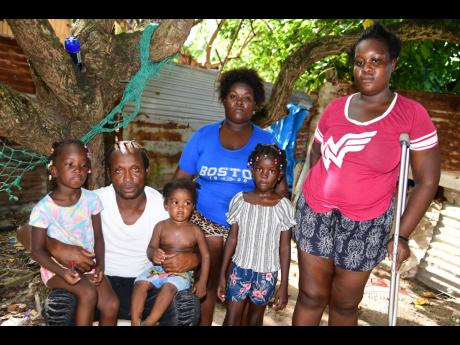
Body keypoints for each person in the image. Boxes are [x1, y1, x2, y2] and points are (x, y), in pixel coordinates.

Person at [292, 22, 440, 326]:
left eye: (376, 61)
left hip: (366, 223)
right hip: (316, 213)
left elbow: (427, 181)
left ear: (393, 64)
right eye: (360, 62)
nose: (367, 69)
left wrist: (401, 234)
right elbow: (317, 152)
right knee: (310, 296)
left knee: (345, 305)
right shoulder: (335, 109)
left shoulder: (411, 115)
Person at [18, 140, 201, 325]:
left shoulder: (164, 207)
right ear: (109, 173)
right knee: (60, 306)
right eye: (119, 170)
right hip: (99, 284)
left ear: (147, 170)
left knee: (185, 307)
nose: (128, 178)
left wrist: (194, 259)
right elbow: (24, 232)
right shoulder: (92, 200)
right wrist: (57, 247)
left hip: (145, 286)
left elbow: (195, 242)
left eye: (135, 169)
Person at [174, 68, 289, 325]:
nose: (239, 102)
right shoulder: (203, 136)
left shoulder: (266, 140)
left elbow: (281, 192)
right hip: (206, 220)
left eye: (247, 98)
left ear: (255, 103)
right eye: (233, 96)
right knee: (212, 252)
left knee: (246, 282)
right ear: (224, 99)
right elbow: (180, 181)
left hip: (250, 227)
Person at [29, 139, 119, 326]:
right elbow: (37, 250)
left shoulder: (91, 200)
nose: (78, 169)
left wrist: (100, 265)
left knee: (111, 304)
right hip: (55, 270)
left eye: (83, 165)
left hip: (88, 266)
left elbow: (98, 237)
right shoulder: (43, 209)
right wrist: (62, 272)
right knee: (88, 293)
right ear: (54, 171)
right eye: (70, 164)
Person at [217, 144, 295, 325]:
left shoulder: (283, 207)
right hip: (239, 269)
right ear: (251, 171)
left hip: (267, 273)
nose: (265, 174)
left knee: (255, 319)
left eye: (271, 170)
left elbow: (285, 247)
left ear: (279, 175)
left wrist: (283, 285)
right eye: (260, 169)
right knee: (231, 318)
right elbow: (232, 239)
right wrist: (222, 274)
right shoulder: (240, 200)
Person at [131, 179, 210, 326]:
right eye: (175, 202)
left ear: (193, 206)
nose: (181, 208)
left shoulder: (195, 231)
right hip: (157, 269)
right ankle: (135, 322)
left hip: (181, 274)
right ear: (166, 205)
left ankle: (150, 322)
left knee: (169, 288)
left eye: (186, 203)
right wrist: (153, 253)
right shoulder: (160, 227)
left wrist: (202, 282)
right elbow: (151, 248)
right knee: (140, 284)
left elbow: (205, 255)